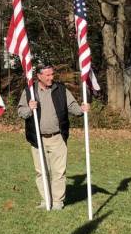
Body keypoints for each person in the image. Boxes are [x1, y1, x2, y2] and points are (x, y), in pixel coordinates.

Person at [17, 64, 90, 211]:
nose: (51, 78)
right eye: (48, 75)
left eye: (52, 74)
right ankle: (46, 200)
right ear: (39, 76)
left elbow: (72, 107)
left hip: (58, 138)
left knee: (59, 172)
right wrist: (29, 108)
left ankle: (57, 202)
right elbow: (21, 112)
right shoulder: (29, 91)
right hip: (37, 139)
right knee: (41, 171)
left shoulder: (61, 90)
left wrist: (82, 109)